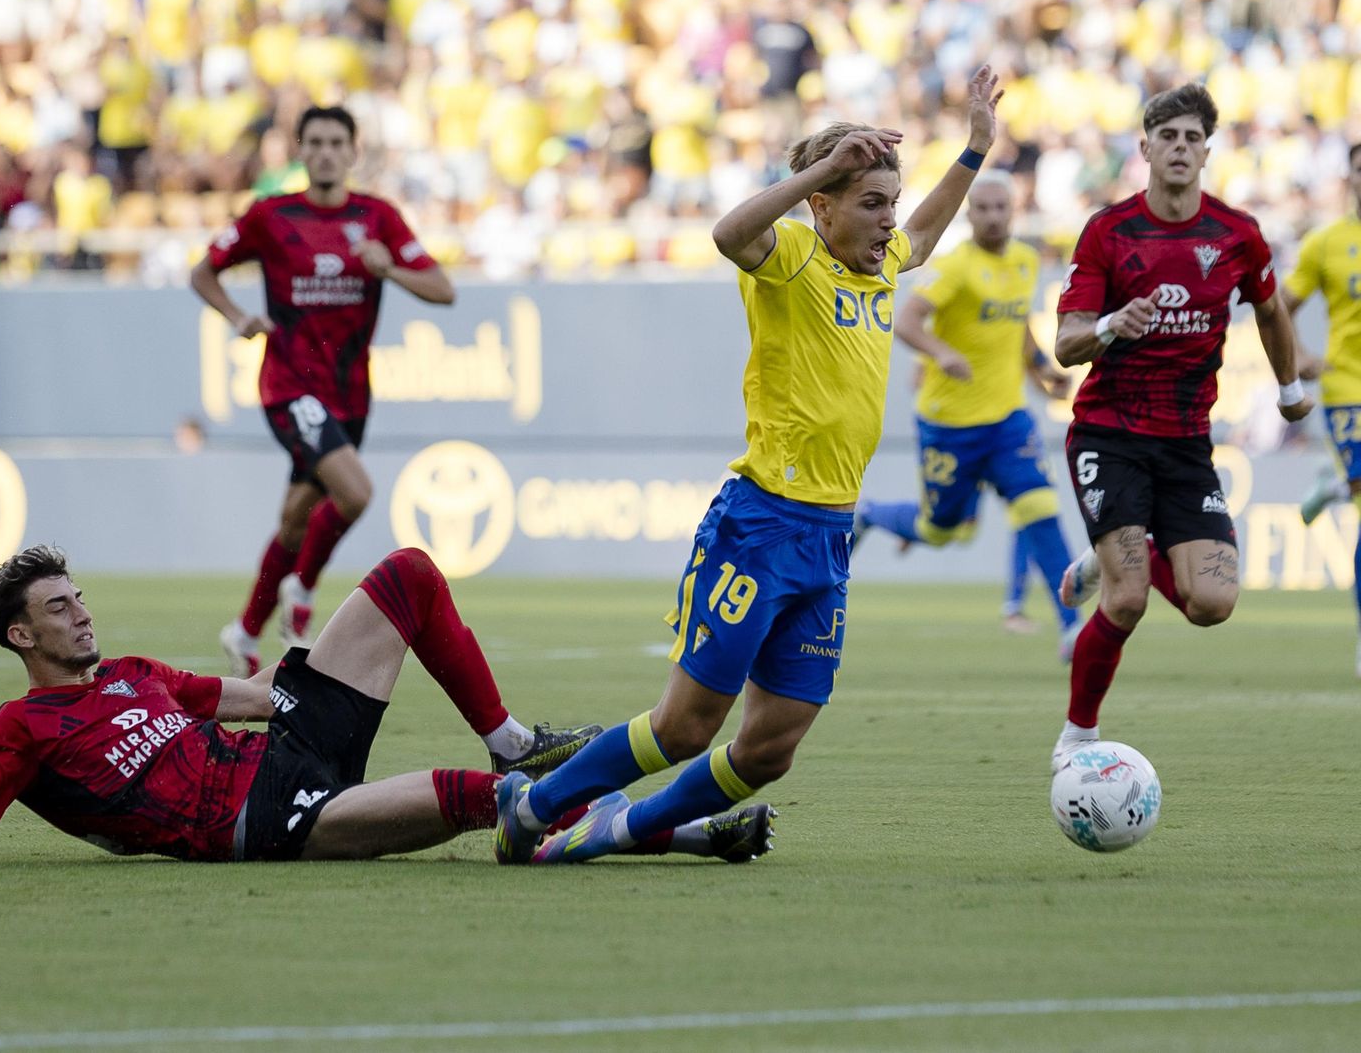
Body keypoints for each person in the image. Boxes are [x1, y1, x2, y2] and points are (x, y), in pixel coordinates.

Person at [491, 68, 1005, 865]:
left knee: (771, 746)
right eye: (872, 203)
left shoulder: (878, 264)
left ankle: (616, 829)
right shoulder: (792, 254)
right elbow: (729, 233)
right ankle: (535, 804)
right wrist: (821, 169)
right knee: (684, 727)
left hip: (829, 538)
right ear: (823, 205)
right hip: (760, 524)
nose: (889, 221)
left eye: (891, 204)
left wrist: (973, 148)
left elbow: (928, 232)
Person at [0, 545, 769, 869]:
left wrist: (318, 661)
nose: (82, 612)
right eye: (58, 607)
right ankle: (681, 832)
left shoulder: (133, 671)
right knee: (473, 799)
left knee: (408, 574)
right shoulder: (21, 727)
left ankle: (513, 739)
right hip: (262, 819)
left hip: (284, 745)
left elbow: (265, 695)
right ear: (21, 635)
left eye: (79, 596)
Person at [1050, 84, 1313, 770]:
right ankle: (1077, 738)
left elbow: (1270, 309)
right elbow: (1067, 343)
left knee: (1212, 603)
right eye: (1167, 136)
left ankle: (1114, 552)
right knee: (1128, 598)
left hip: (1187, 441)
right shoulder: (1109, 231)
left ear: (1206, 152)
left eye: (1192, 138)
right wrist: (1111, 324)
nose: (1180, 147)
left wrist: (1289, 391)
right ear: (1145, 148)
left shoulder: (1235, 233)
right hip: (1109, 434)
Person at [190, 105, 455, 676]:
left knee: (295, 520)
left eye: (337, 142)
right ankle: (303, 590)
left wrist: (389, 270)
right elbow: (202, 272)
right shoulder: (270, 214)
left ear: (353, 152)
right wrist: (238, 316)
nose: (327, 152)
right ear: (300, 151)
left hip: (350, 395)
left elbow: (443, 289)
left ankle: (244, 631)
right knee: (355, 493)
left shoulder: (378, 217)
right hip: (288, 386)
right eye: (315, 142)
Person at [854, 170, 1082, 659]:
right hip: (950, 424)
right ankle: (870, 514)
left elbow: (1018, 328)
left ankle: (1072, 628)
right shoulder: (955, 266)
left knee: (1040, 509)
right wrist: (941, 354)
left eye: (1001, 207)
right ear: (970, 213)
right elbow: (907, 320)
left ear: (1014, 211)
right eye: (983, 208)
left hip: (1007, 421)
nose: (993, 216)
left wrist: (1044, 373)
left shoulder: (1025, 261)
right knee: (941, 531)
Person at [1281, 143, 1361, 673]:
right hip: (1348, 389)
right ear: (1349, 178)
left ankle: (1336, 486)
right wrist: (1302, 357)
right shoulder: (1327, 243)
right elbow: (1279, 307)